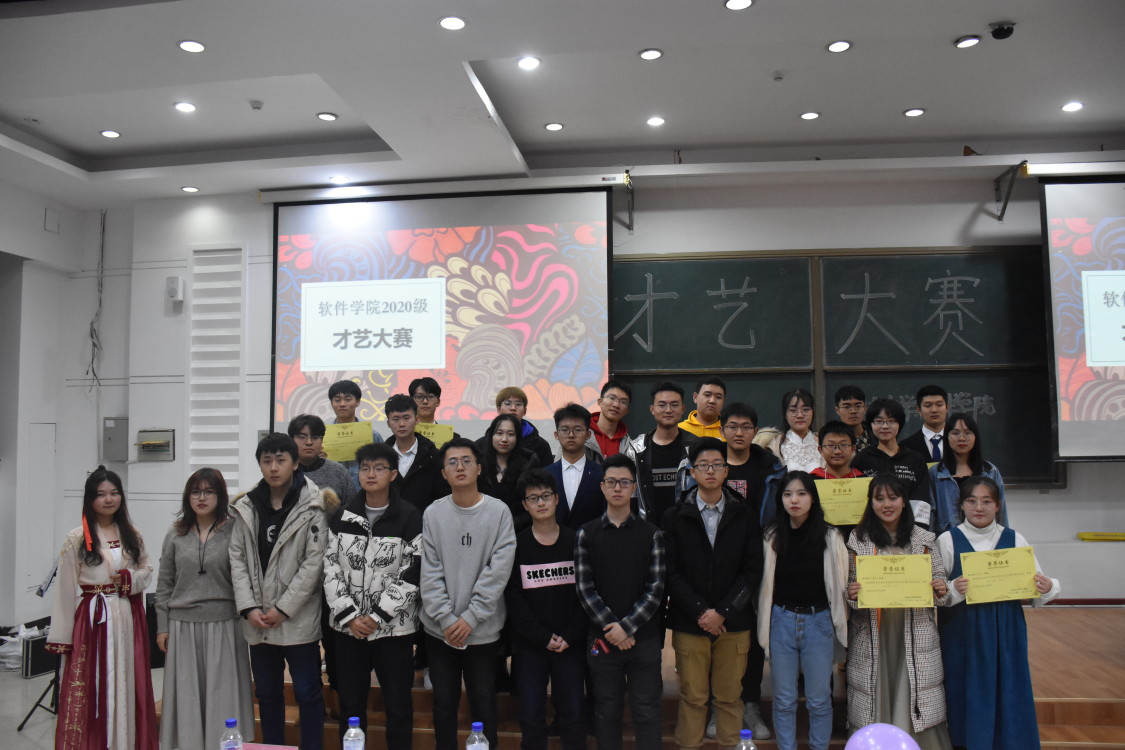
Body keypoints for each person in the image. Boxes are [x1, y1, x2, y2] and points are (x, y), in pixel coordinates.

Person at [229, 433, 338, 750]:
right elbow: (236, 558)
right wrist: (249, 607)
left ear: (294, 463)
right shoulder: (246, 506)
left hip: (297, 619)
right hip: (257, 619)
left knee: (307, 692)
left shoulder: (314, 505)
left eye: (280, 460)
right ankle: (274, 747)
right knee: (266, 693)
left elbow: (314, 563)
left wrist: (283, 608)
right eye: (267, 461)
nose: (274, 467)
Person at [937, 477, 1060, 750]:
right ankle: (967, 743)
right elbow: (937, 593)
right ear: (961, 505)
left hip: (1006, 626)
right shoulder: (947, 540)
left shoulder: (1015, 538)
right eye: (971, 501)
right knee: (964, 685)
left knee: (1010, 684)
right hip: (962, 629)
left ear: (998, 505)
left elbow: (1036, 586)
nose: (979, 507)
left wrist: (1047, 586)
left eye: (986, 501)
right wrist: (953, 589)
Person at [46, 467, 159, 750]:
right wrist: (63, 638)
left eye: (114, 493)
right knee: (94, 684)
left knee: (127, 679)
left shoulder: (132, 533)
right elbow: (64, 591)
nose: (109, 499)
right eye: (101, 494)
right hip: (93, 619)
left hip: (127, 616)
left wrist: (130, 579)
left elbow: (147, 569)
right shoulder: (76, 538)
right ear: (90, 499)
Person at [664, 438, 763, 750]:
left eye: (717, 465)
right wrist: (700, 611)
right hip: (689, 621)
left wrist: (723, 612)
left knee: (730, 697)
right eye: (703, 465)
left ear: (726, 471)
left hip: (734, 622)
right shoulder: (674, 515)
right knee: (693, 697)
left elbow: (753, 571)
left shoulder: (745, 514)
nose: (710, 471)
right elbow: (669, 572)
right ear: (692, 472)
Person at [324, 442, 422, 750]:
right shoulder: (343, 516)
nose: (370, 474)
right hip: (348, 630)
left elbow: (413, 572)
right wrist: (351, 616)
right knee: (350, 706)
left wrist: (377, 616)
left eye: (379, 468)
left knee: (398, 705)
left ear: (393, 474)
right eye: (365, 468)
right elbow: (329, 567)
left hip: (394, 632)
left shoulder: (409, 516)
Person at [420, 438, 516, 750]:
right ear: (443, 473)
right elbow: (429, 572)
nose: (459, 467)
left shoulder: (498, 512)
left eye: (466, 461)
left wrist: (471, 617)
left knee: (484, 704)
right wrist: (448, 620)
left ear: (479, 468)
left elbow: (498, 571)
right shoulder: (433, 514)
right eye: (452, 462)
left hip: (482, 631)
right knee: (443, 704)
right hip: (440, 631)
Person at [846, 476, 953, 750]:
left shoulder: (925, 539)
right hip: (874, 629)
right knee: (875, 687)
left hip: (914, 628)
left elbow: (941, 586)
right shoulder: (858, 539)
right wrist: (853, 594)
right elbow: (848, 588)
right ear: (871, 503)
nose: (887, 504)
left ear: (904, 502)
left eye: (893, 498)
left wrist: (940, 589)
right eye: (879, 498)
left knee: (914, 686)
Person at [155, 468, 254, 750]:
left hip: (225, 624)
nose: (201, 497)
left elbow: (246, 577)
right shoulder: (176, 532)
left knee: (223, 697)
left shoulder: (235, 529)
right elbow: (164, 582)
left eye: (209, 492)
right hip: (182, 626)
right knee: (187, 696)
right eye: (195, 492)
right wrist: (162, 625)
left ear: (220, 496)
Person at [575, 454, 665, 750]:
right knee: (606, 710)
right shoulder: (586, 534)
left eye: (624, 482)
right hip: (602, 640)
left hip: (644, 640)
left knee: (647, 710)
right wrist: (612, 627)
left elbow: (656, 589)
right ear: (602, 487)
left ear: (634, 488)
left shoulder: (651, 534)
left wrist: (626, 627)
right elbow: (584, 588)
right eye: (611, 482)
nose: (617, 488)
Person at [758, 471, 848, 750]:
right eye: (787, 494)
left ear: (813, 498)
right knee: (784, 699)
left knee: (819, 699)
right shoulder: (771, 535)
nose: (794, 500)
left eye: (801, 494)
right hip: (781, 619)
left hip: (818, 621)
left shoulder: (831, 536)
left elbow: (842, 583)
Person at [505, 469, 589, 750]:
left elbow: (586, 594)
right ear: (525, 505)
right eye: (533, 498)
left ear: (556, 499)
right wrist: (542, 637)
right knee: (531, 716)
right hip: (530, 647)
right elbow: (514, 597)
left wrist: (569, 635)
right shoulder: (517, 545)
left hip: (570, 644)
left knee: (574, 714)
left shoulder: (576, 541)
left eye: (545, 496)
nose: (540, 502)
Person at [719, 402, 782, 740]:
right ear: (722, 430)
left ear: (755, 431)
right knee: (720, 633)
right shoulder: (710, 462)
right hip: (717, 561)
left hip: (759, 561)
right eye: (732, 426)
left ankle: (751, 704)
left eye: (746, 427)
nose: (739, 432)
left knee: (755, 636)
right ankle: (720, 705)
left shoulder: (770, 467)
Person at [852, 398, 932, 528]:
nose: (885, 426)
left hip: (909, 530)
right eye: (878, 421)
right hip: (872, 530)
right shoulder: (861, 459)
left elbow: (921, 501)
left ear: (900, 424)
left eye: (891, 421)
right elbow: (857, 501)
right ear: (870, 424)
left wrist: (916, 532)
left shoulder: (915, 460)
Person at [625, 380, 695, 524]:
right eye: (662, 405)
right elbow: (630, 497)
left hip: (687, 529)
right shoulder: (636, 450)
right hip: (648, 530)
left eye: (674, 405)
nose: (668, 410)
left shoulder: (695, 448)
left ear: (683, 409)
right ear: (652, 409)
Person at [928, 412, 1009, 536]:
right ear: (946, 437)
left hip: (985, 540)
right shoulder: (935, 474)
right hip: (947, 541)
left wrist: (1005, 539)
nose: (961, 438)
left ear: (975, 437)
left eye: (967, 433)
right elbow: (930, 517)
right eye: (955, 433)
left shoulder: (990, 471)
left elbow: (1001, 512)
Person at [383, 393, 450, 511]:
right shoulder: (381, 457)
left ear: (417, 419)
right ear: (388, 423)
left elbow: (442, 495)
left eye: (406, 418)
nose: (402, 424)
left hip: (425, 519)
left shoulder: (433, 456)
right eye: (396, 419)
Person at [546, 403, 606, 529]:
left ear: (588, 435)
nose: (571, 435)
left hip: (592, 539)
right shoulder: (545, 475)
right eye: (565, 430)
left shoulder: (601, 474)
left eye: (578, 430)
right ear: (556, 435)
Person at [477, 412, 541, 522]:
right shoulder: (478, 464)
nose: (504, 439)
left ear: (517, 438)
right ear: (491, 435)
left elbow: (534, 504)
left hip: (518, 528)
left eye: (510, 434)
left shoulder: (529, 466)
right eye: (499, 433)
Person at [329, 379, 383, 491]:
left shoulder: (373, 436)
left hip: (365, 495)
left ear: (357, 402)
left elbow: (383, 468)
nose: (342, 404)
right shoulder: (323, 437)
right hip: (333, 495)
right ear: (331, 403)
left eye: (348, 399)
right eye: (337, 400)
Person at [288, 413, 352, 500]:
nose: (309, 442)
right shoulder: (283, 472)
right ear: (292, 440)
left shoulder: (339, 472)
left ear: (322, 440)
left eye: (315, 437)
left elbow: (351, 507)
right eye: (302, 437)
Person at [767, 388, 824, 473]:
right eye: (793, 411)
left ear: (813, 412)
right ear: (785, 414)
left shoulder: (825, 443)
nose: (800, 415)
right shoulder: (774, 447)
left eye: (805, 410)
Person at [497, 385, 555, 467]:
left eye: (518, 404)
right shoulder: (483, 444)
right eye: (508, 403)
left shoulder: (541, 446)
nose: (513, 408)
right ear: (498, 409)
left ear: (524, 411)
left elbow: (547, 474)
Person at [900, 385, 949, 462]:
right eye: (928, 405)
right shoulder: (906, 445)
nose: (934, 410)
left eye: (939, 405)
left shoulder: (960, 440)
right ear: (919, 410)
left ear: (947, 407)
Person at [586, 379, 632, 461]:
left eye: (623, 402)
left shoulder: (629, 445)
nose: (616, 405)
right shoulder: (581, 434)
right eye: (612, 398)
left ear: (627, 411)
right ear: (600, 402)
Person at [409, 376, 460, 445]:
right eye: (419, 397)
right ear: (411, 401)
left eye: (430, 397)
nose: (425, 401)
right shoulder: (403, 435)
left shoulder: (451, 438)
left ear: (438, 402)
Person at [833, 385, 872, 452]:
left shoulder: (876, 437)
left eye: (858, 406)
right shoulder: (830, 439)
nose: (853, 411)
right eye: (846, 407)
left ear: (865, 408)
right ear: (837, 410)